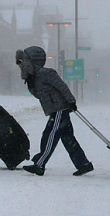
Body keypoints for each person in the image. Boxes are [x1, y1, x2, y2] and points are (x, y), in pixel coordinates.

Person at [16, 46, 93, 177]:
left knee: (49, 136)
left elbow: (62, 86)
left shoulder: (46, 73)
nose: (20, 66)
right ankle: (83, 164)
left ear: (30, 61)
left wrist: (71, 101)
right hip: (56, 110)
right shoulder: (33, 78)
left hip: (59, 109)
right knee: (67, 138)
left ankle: (39, 165)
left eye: (21, 62)